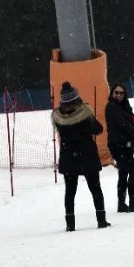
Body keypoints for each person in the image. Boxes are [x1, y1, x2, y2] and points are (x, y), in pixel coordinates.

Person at [52, 81, 108, 232]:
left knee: (70, 192)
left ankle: (70, 224)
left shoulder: (58, 117)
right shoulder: (85, 114)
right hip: (87, 155)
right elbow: (98, 129)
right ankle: (101, 220)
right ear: (76, 98)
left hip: (69, 157)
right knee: (96, 189)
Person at [105, 83, 134, 213]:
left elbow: (133, 121)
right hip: (117, 145)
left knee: (124, 172)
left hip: (127, 144)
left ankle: (122, 204)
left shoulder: (125, 107)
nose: (118, 95)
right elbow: (122, 123)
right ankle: (131, 202)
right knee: (132, 170)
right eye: (116, 92)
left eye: (121, 93)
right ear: (112, 94)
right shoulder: (111, 107)